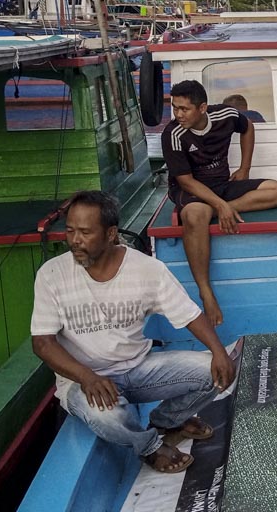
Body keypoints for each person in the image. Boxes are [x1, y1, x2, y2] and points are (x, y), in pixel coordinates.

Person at [30, 190, 236, 474]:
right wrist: (87, 377)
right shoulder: (51, 274)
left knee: (214, 371)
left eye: (86, 232)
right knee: (105, 417)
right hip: (83, 379)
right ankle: (149, 447)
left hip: (139, 369)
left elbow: (189, 314)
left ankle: (168, 420)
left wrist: (218, 352)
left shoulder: (147, 269)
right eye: (70, 231)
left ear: (111, 233)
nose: (75, 240)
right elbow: (42, 343)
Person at [163, 80, 277, 326]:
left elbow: (247, 127)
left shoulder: (226, 114)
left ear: (202, 108)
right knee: (195, 215)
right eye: (175, 108)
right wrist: (221, 205)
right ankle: (206, 291)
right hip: (190, 191)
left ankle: (214, 208)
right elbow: (186, 182)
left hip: (222, 186)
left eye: (184, 109)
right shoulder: (173, 134)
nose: (178, 115)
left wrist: (245, 168)